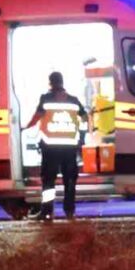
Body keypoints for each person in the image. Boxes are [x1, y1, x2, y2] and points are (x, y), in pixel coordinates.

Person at [23, 72, 87, 219]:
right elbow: (84, 118)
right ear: (62, 82)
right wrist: (81, 136)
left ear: (50, 83)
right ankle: (70, 212)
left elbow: (36, 117)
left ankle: (47, 212)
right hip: (69, 148)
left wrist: (24, 127)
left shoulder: (46, 99)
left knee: (48, 181)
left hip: (50, 147)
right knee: (69, 180)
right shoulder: (74, 100)